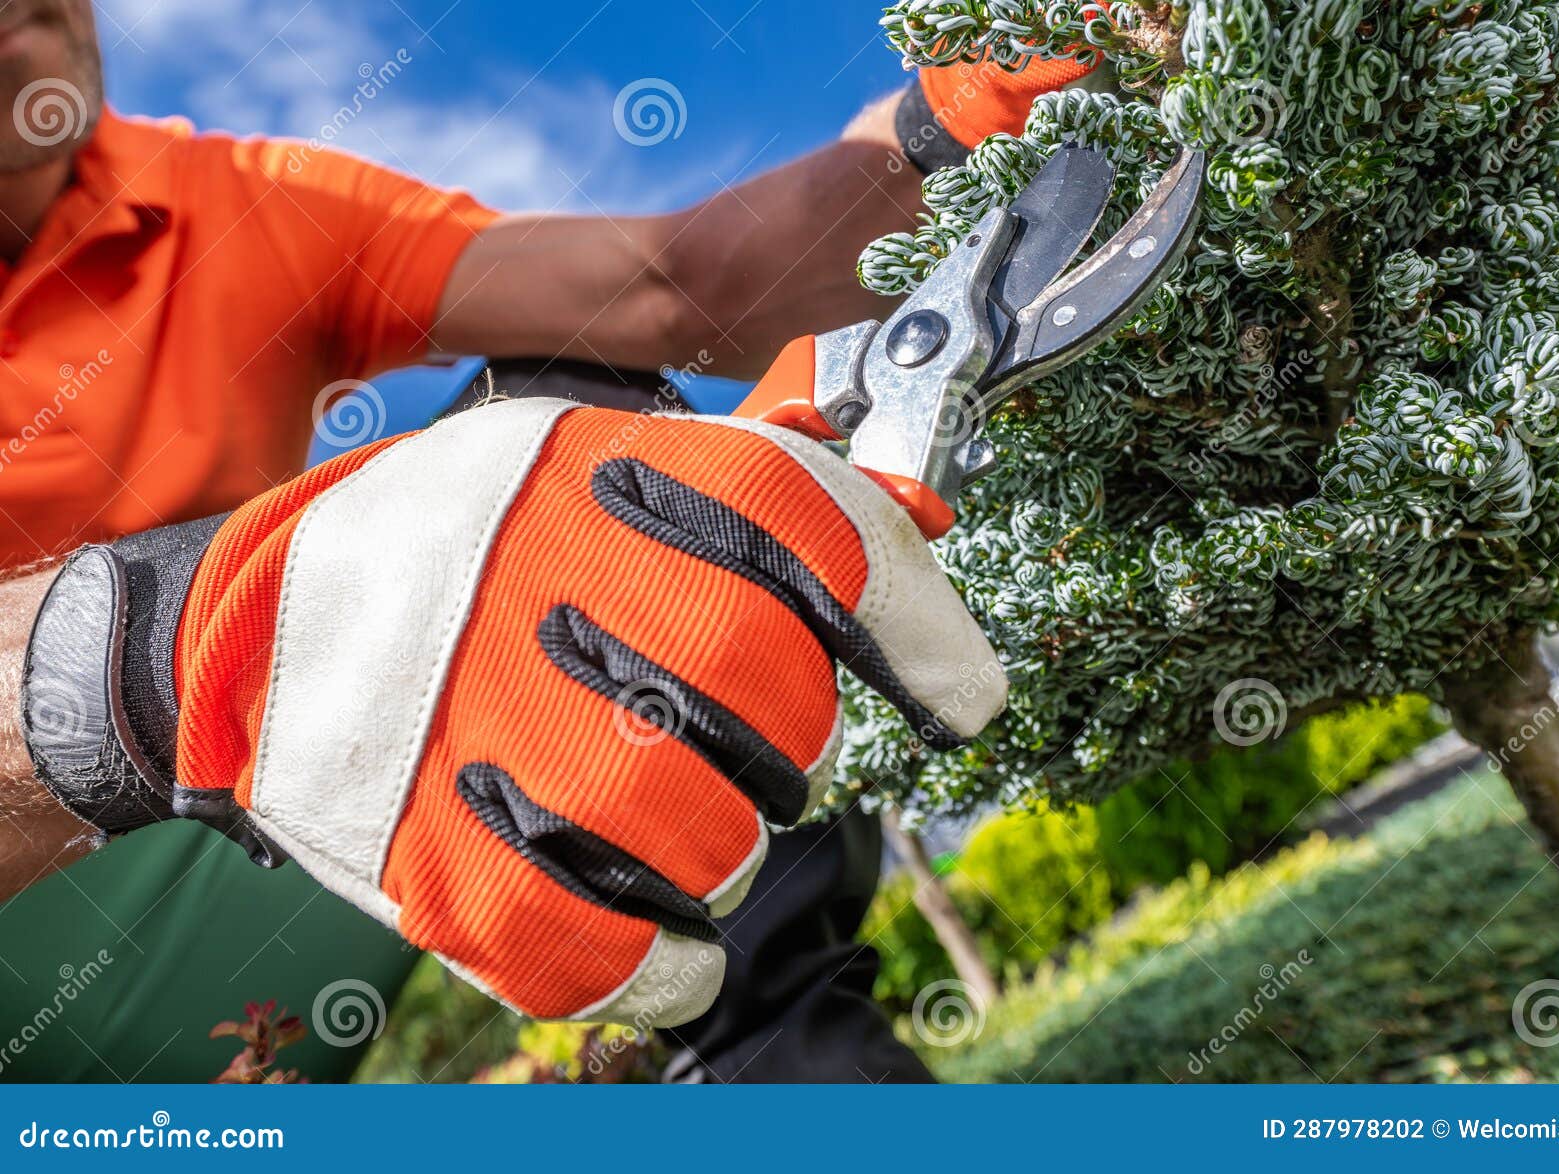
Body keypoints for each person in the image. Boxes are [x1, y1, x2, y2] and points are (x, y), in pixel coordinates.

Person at [0, 0, 1094, 1081]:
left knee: (569, 411)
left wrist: (951, 115)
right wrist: (169, 638)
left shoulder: (222, 200)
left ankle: (790, 1068)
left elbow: (668, 287)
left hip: (257, 865)